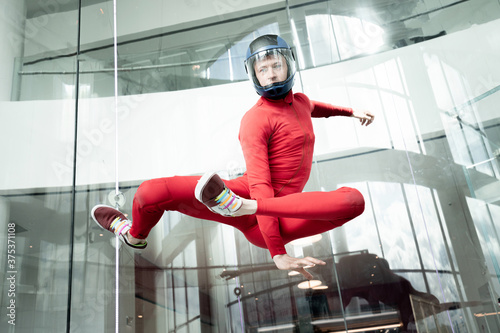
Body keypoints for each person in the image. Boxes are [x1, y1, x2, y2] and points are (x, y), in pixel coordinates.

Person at [92, 34, 374, 279]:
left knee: (353, 201)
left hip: (273, 212)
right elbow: (261, 184)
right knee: (149, 192)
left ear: (289, 64)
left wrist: (350, 112)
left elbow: (316, 107)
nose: (272, 73)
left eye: (276, 65)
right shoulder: (255, 119)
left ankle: (240, 206)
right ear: (254, 75)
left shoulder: (300, 101)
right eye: (263, 69)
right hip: (245, 196)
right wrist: (278, 252)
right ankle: (134, 237)